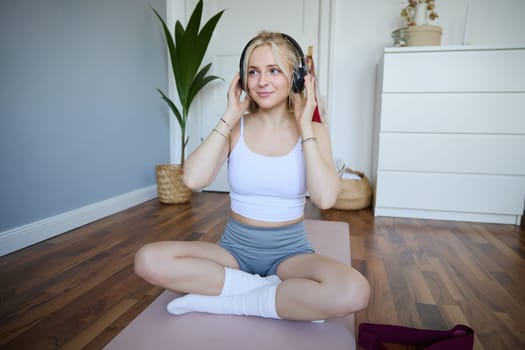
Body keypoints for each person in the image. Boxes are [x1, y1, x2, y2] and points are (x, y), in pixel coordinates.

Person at [134, 31, 370, 321]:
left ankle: (232, 300)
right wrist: (230, 114)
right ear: (242, 80)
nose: (262, 81)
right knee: (147, 260)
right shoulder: (236, 128)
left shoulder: (316, 132)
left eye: (274, 71)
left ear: (296, 78)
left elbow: (325, 198)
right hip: (234, 251)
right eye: (253, 72)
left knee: (354, 290)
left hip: (291, 253)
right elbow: (193, 180)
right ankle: (271, 294)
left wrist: (305, 125)